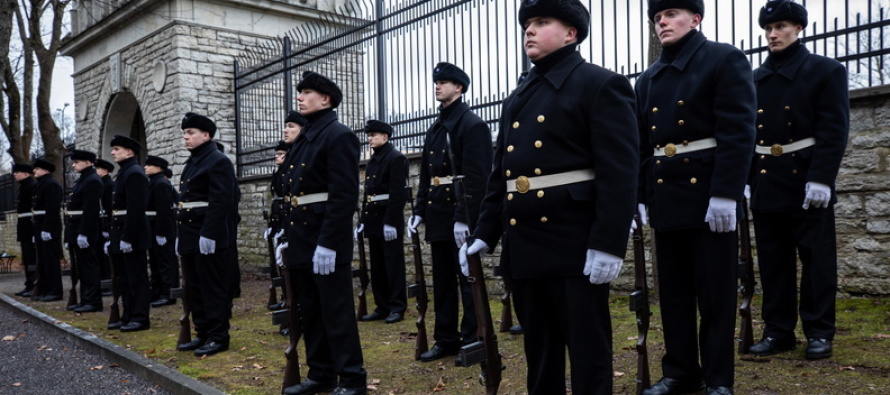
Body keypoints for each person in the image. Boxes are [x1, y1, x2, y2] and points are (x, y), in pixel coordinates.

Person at [462, 0, 639, 392]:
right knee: (540, 354)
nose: (529, 29)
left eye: (541, 22)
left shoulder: (599, 83)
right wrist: (483, 234)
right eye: (527, 23)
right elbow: (501, 175)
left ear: (571, 33)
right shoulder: (518, 95)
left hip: (574, 243)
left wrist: (609, 243)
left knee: (588, 352)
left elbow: (620, 170)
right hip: (525, 242)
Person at [635, 1, 756, 394]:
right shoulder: (647, 79)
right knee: (673, 294)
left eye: (670, 15)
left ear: (695, 18)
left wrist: (726, 192)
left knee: (716, 294)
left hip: (708, 195)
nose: (662, 23)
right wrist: (640, 195)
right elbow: (640, 144)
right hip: (666, 197)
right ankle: (679, 373)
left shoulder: (722, 59)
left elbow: (738, 131)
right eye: (657, 18)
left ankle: (718, 379)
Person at [746, 0, 849, 361]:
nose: (773, 35)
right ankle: (778, 331)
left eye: (781, 27)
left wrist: (822, 177)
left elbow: (834, 129)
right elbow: (745, 133)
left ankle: (819, 331)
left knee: (817, 260)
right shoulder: (753, 78)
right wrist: (745, 178)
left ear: (798, 29)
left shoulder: (825, 71)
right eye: (768, 29)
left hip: (806, 178)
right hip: (765, 178)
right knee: (774, 262)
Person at [280, 71, 366, 395]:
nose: (299, 97)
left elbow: (343, 195)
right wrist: (287, 237)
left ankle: (353, 379)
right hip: (303, 238)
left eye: (306, 92)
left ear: (325, 99)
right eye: (299, 92)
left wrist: (328, 243)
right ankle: (321, 374)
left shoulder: (338, 135)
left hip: (324, 239)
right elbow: (295, 192)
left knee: (337, 312)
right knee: (311, 311)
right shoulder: (306, 137)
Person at [407, 62, 491, 363]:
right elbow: (426, 177)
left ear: (459, 87)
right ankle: (446, 339)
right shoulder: (436, 128)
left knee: (468, 280)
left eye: (444, 82)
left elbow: (478, 177)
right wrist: (419, 211)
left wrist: (463, 217)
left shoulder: (473, 125)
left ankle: (473, 339)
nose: (437, 86)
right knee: (442, 281)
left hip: (460, 213)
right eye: (436, 82)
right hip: (437, 213)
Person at [175, 112, 237, 357]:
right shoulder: (193, 162)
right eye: (185, 134)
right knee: (194, 287)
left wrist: (209, 233)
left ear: (206, 135)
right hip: (191, 233)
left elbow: (221, 201)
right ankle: (202, 333)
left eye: (190, 133)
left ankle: (218, 336)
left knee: (212, 287)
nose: (186, 138)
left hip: (207, 233)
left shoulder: (217, 160)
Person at [355, 119, 409, 324]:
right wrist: (362, 221)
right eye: (369, 136)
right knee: (377, 265)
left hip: (388, 219)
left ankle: (397, 306)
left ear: (385, 137)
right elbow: (368, 194)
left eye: (373, 136)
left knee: (393, 265)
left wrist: (391, 222)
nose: (369, 139)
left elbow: (398, 194)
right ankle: (382, 305)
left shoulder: (395, 158)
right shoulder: (373, 161)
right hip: (373, 219)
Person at [107, 135, 152, 332]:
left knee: (136, 278)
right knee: (124, 278)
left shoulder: (134, 173)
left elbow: (136, 210)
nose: (112, 152)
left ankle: (140, 317)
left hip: (132, 235)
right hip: (121, 232)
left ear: (129, 151)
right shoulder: (124, 173)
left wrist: (127, 237)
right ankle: (128, 314)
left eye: (117, 148)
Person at [65, 150, 104, 313]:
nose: (73, 165)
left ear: (88, 162)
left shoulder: (92, 180)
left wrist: (84, 233)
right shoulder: (83, 180)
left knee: (90, 267)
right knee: (82, 267)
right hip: (77, 227)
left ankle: (94, 301)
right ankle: (85, 298)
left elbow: (90, 209)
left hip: (85, 229)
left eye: (77, 162)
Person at [145, 155, 179, 308]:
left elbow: (164, 210)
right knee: (155, 262)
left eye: (149, 165)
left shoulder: (161, 184)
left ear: (158, 168)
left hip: (162, 229)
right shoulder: (153, 182)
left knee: (165, 263)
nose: (145, 167)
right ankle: (158, 291)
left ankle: (168, 294)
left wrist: (161, 232)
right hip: (153, 228)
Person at [30, 159, 64, 302]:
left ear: (45, 170)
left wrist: (47, 229)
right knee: (43, 261)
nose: (34, 171)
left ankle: (54, 291)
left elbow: (52, 209)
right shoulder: (41, 185)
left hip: (49, 228)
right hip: (40, 227)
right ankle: (45, 289)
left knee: (51, 261)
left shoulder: (51, 185)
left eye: (37, 169)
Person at [12, 164, 37, 297]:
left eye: (17, 172)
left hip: (29, 226)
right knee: (27, 257)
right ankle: (29, 283)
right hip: (24, 225)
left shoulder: (31, 186)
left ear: (27, 173)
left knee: (31, 256)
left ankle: (33, 284)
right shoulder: (23, 186)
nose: (14, 174)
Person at [95, 158, 115, 288]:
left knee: (105, 256)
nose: (95, 171)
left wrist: (106, 227)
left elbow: (108, 208)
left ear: (105, 170)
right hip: (100, 221)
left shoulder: (108, 184)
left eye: (98, 169)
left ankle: (108, 281)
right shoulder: (101, 183)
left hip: (105, 222)